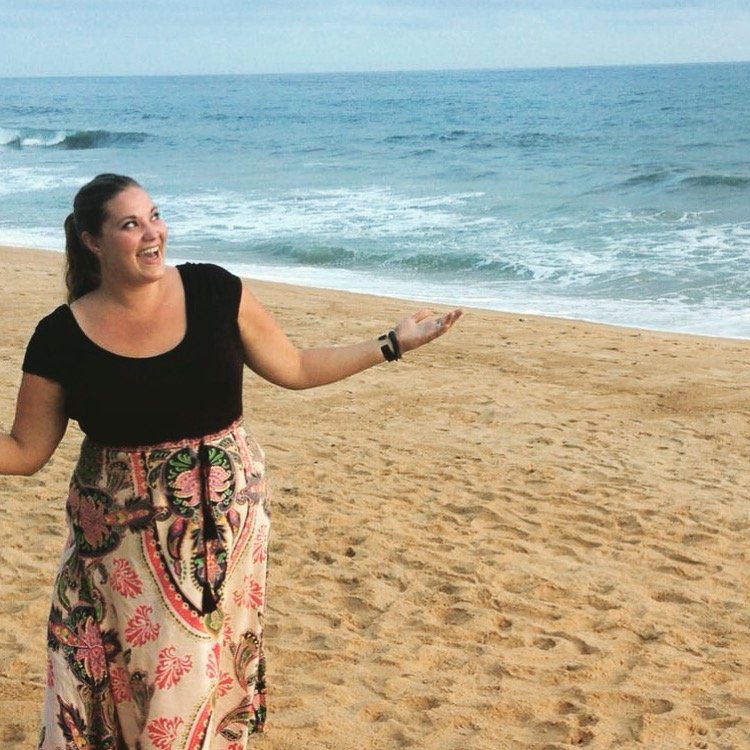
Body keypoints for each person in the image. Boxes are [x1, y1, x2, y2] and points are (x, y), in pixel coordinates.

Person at [0, 173, 462, 749]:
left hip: (227, 535)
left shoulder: (215, 291)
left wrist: (391, 344)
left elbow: (295, 366)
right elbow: (25, 450)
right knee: (132, 697)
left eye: (155, 215)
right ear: (92, 241)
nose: (152, 233)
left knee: (198, 692)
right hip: (119, 555)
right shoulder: (60, 337)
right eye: (130, 224)